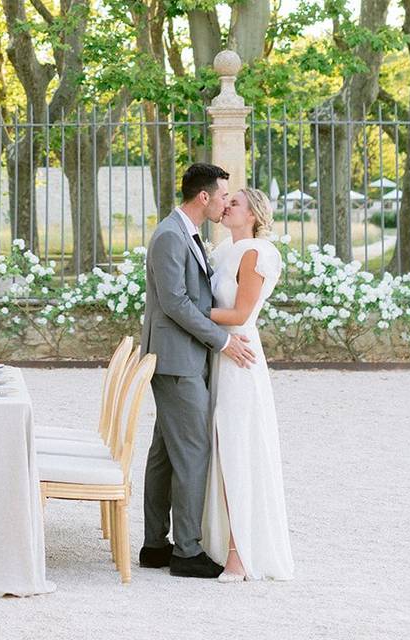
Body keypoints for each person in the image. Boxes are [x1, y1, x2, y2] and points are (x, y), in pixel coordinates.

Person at [138, 163, 256, 578]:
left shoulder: (186, 232)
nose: (226, 202)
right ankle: (186, 552)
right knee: (192, 449)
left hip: (181, 355)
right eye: (223, 195)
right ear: (203, 197)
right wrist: (222, 340)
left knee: (167, 452)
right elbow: (176, 304)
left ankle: (155, 545)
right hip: (176, 360)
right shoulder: (171, 235)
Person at [202, 187, 294, 582]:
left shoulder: (258, 252)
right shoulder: (223, 251)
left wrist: (187, 311)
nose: (226, 206)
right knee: (218, 448)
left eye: (234, 202)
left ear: (253, 214)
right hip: (217, 351)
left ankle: (240, 554)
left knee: (237, 449)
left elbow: (241, 311)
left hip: (239, 354)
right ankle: (218, 540)